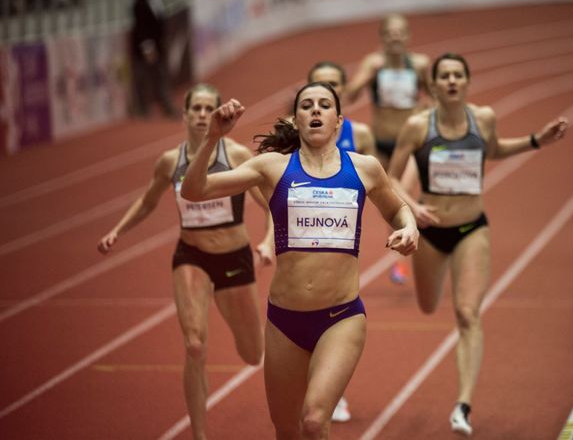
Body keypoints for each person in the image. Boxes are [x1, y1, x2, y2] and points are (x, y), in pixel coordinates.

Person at [181, 82, 419, 439]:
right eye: (307, 105)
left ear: (339, 121)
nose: (316, 110)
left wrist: (410, 226)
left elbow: (397, 206)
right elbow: (194, 190)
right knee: (286, 429)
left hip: (341, 317)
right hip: (284, 322)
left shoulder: (364, 168)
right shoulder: (272, 168)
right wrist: (213, 137)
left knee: (314, 420)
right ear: (296, 119)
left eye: (325, 105)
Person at [386, 53, 568, 436]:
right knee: (427, 305)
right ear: (433, 86)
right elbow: (389, 178)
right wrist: (413, 206)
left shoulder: (482, 118)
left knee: (468, 314)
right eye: (444, 76)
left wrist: (537, 140)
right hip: (431, 234)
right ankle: (461, 401)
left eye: (458, 75)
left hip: (472, 228)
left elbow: (494, 149)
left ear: (467, 82)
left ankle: (463, 406)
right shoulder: (418, 126)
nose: (452, 81)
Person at [97, 83, 273, 440]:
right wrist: (118, 230)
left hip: (234, 258)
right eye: (196, 109)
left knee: (253, 354)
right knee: (194, 345)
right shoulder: (170, 162)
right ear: (185, 115)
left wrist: (268, 241)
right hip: (190, 256)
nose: (202, 115)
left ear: (219, 114)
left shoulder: (235, 155)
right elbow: (147, 201)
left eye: (210, 108)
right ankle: (199, 435)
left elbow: (268, 205)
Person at [307, 60, 376, 423]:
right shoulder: (292, 134)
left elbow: (382, 182)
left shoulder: (359, 134)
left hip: (340, 238)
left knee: (335, 302)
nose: (325, 89)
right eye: (318, 84)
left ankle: (335, 390)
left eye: (333, 84)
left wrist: (408, 217)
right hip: (301, 244)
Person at [344, 13, 431, 284]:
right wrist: (367, 76)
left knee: (401, 194)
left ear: (407, 36)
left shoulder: (419, 64)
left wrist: (428, 110)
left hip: (409, 144)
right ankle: (402, 249)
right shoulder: (374, 63)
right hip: (380, 142)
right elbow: (351, 93)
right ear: (382, 37)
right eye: (390, 33)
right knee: (389, 200)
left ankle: (404, 258)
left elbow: (432, 92)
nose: (395, 37)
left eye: (400, 32)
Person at [129, 0, 179, 118]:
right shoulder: (139, 3)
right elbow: (141, 27)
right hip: (145, 49)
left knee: (161, 76)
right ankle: (141, 109)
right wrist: (148, 48)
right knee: (143, 78)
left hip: (159, 45)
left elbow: (159, 21)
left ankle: (166, 107)